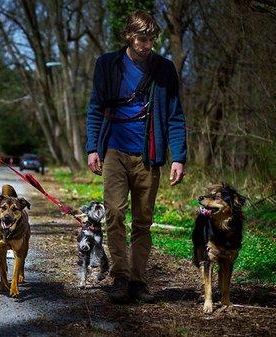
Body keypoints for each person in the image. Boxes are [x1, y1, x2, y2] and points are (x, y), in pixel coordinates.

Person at [86, 11, 187, 303]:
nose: (147, 45)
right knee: (115, 214)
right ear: (130, 36)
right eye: (142, 39)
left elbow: (175, 115)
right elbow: (94, 108)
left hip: (149, 154)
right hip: (114, 150)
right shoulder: (107, 65)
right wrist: (93, 148)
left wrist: (178, 157)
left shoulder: (164, 69)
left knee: (143, 222)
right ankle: (120, 277)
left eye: (152, 39)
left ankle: (138, 282)